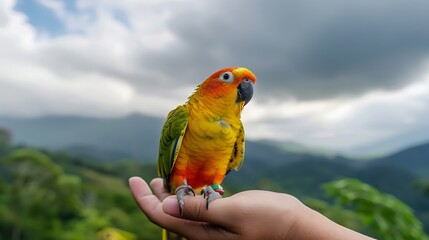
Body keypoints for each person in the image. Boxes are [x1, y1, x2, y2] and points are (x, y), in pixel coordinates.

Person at [129, 177, 375, 240]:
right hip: (181, 183)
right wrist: (290, 226)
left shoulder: (235, 131)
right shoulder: (183, 117)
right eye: (228, 79)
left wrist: (290, 227)